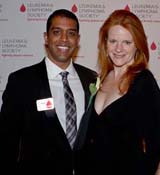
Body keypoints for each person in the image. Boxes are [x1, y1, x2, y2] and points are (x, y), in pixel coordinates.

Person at [0, 9, 97, 174]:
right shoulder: (22, 81)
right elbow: (7, 142)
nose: (64, 39)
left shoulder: (92, 79)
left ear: (77, 39)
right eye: (57, 32)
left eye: (71, 33)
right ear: (46, 37)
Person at [79, 9, 160, 175]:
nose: (118, 49)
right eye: (113, 41)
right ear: (105, 43)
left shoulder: (143, 82)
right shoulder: (100, 78)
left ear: (137, 45)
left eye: (127, 43)